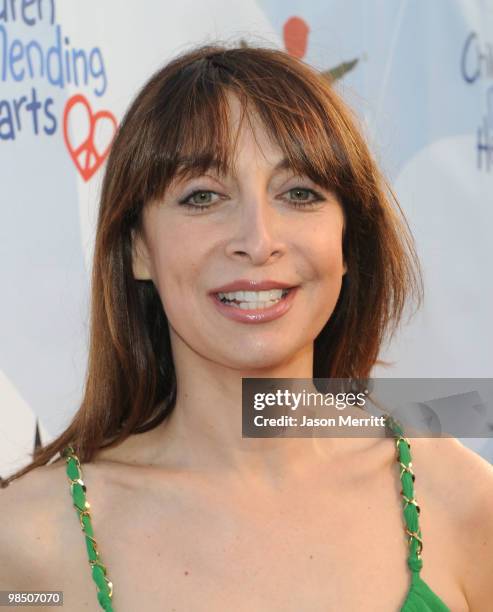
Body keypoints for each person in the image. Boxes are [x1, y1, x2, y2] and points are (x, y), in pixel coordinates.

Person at [1, 43, 492, 612]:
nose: (258, 241)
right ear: (138, 248)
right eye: (203, 196)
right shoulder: (29, 548)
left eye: (300, 193)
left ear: (346, 242)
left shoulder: (458, 503)